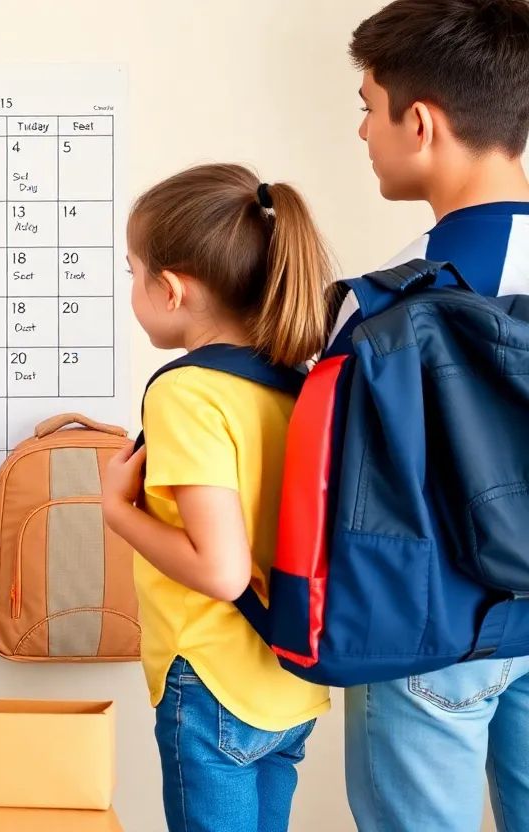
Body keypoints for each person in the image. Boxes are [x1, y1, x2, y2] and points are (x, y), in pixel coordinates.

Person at [336, 2, 529, 830]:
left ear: (419, 123)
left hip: (432, 631)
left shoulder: (384, 300)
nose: (362, 132)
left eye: (368, 109)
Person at [101, 162, 333, 832]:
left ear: (171, 288)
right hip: (288, 677)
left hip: (212, 679)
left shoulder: (186, 391)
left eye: (131, 271)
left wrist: (116, 511)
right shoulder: (294, 381)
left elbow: (221, 570)